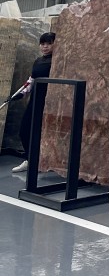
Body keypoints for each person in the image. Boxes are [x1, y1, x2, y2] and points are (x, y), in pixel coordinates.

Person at [10, 32, 55, 173]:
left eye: (49, 43)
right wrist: (21, 93)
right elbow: (31, 80)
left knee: (44, 133)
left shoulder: (58, 62)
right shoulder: (38, 61)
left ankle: (42, 162)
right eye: (42, 44)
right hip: (36, 101)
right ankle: (31, 160)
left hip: (51, 103)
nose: (45, 47)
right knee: (25, 130)